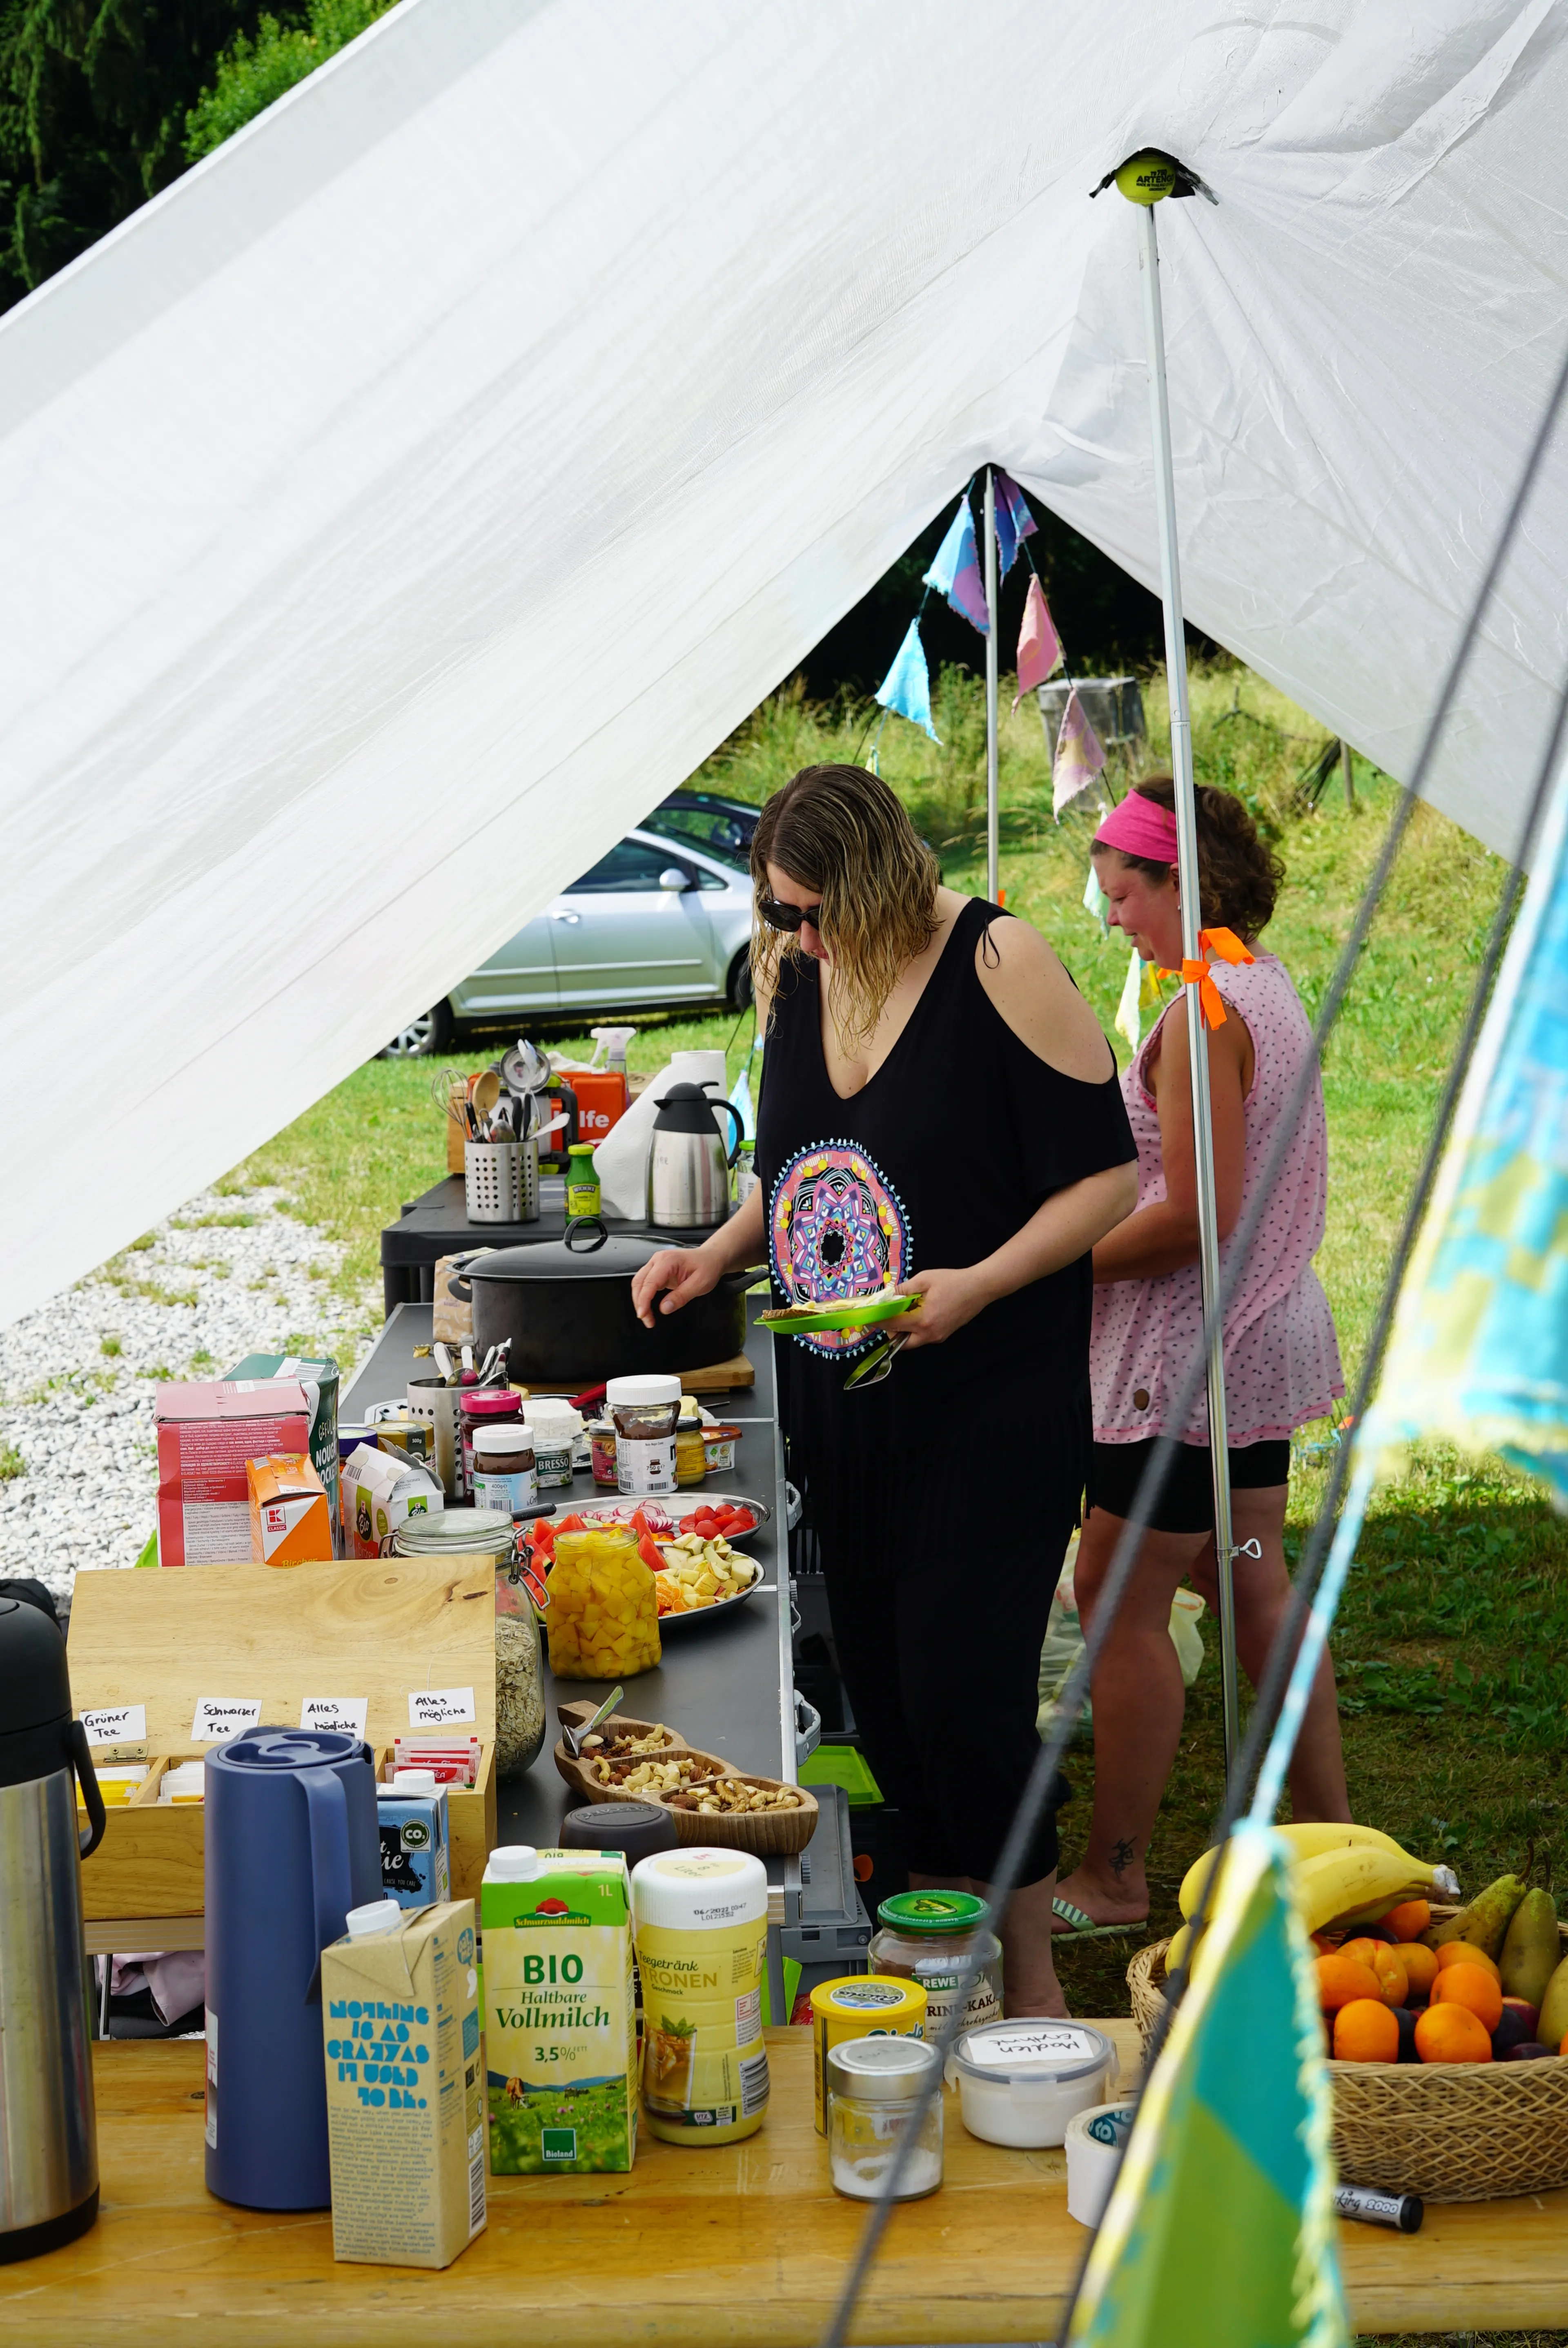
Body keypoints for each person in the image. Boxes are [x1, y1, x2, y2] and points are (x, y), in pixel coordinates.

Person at [631, 763, 1138, 2017]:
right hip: (848, 1408)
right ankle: (944, 1963)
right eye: (780, 912)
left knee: (968, 1695)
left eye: (811, 910)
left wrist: (977, 1282)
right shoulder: (803, 974)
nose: (793, 936)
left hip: (987, 1400)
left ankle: (1030, 1981)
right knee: (892, 1704)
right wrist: (720, 1247)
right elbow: (799, 1169)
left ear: (874, 880)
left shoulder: (998, 962)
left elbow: (1107, 1179)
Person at [1052, 775, 1350, 1941]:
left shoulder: (1201, 1012)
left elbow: (1201, 1214)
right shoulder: (1257, 979)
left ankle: (1117, 1877)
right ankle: (1344, 1840)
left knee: (1115, 1596)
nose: (1112, 913)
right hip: (1259, 1331)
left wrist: (1049, 1268)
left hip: (1191, 1356)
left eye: (1127, 891)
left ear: (1185, 882)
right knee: (1248, 1578)